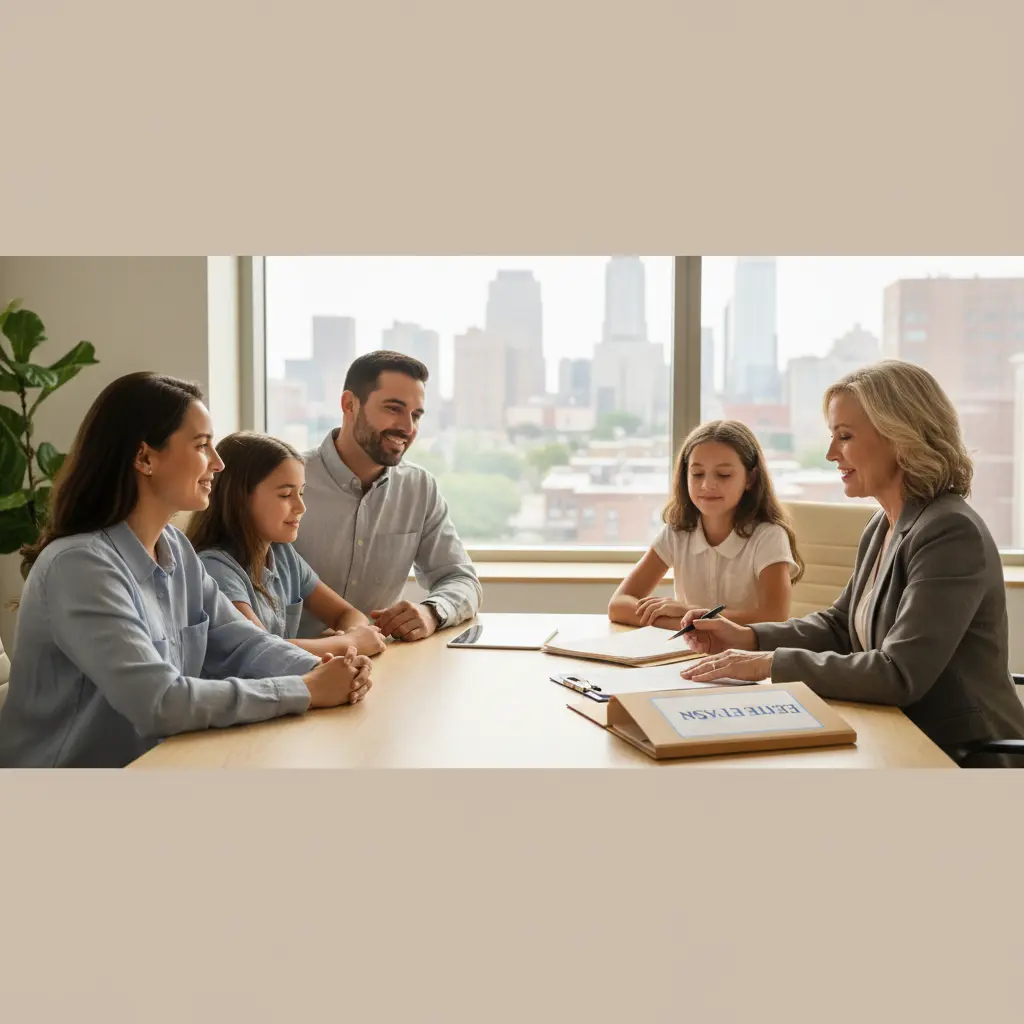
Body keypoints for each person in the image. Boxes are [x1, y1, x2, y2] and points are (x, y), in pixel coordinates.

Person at [0, 372, 373, 769]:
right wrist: (305, 689)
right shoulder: (79, 566)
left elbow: (242, 642)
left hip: (163, 764)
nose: (218, 463)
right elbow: (160, 702)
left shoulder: (174, 547)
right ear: (144, 457)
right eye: (202, 446)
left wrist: (326, 670)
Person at [677, 359, 1024, 762]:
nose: (830, 454)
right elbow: (841, 626)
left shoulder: (949, 533)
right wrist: (747, 637)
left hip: (958, 751)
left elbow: (898, 674)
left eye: (844, 436)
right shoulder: (884, 524)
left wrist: (764, 664)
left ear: (901, 437)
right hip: (892, 731)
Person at [292, 350, 482, 643]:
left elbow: (461, 579)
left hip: (379, 664)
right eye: (394, 409)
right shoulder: (287, 482)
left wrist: (432, 612)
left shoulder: (419, 488)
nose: (408, 428)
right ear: (349, 404)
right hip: (290, 668)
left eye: (416, 415)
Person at [186, 431, 388, 659]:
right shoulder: (215, 569)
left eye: (301, 493)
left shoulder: (282, 554)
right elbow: (263, 652)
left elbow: (347, 613)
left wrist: (353, 634)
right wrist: (349, 643)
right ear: (239, 499)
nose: (301, 507)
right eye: (285, 495)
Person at [609, 420, 803, 630]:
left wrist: (688, 613)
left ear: (751, 479)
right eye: (697, 474)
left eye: (723, 475)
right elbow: (619, 605)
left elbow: (774, 617)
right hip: (687, 654)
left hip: (746, 656)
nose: (707, 485)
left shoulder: (769, 536)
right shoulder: (677, 532)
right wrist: (684, 625)